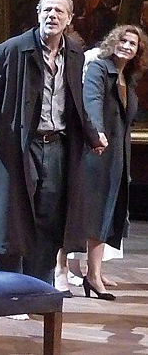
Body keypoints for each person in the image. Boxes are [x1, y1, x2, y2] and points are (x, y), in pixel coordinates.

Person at [0, 0, 105, 288]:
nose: (52, 15)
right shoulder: (12, 50)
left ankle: (37, 290)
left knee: (49, 220)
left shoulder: (74, 54)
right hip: (20, 148)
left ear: (69, 19)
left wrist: (92, 135)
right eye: (47, 10)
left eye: (59, 11)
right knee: (12, 220)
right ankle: (6, 291)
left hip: (57, 146)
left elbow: (76, 102)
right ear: (38, 14)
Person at [82, 25, 148, 300]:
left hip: (117, 154)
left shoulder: (127, 78)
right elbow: (91, 100)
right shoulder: (99, 68)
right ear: (113, 41)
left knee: (106, 213)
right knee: (93, 213)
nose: (126, 46)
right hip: (97, 151)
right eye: (123, 40)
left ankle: (94, 273)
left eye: (132, 44)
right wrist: (96, 132)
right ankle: (82, 274)